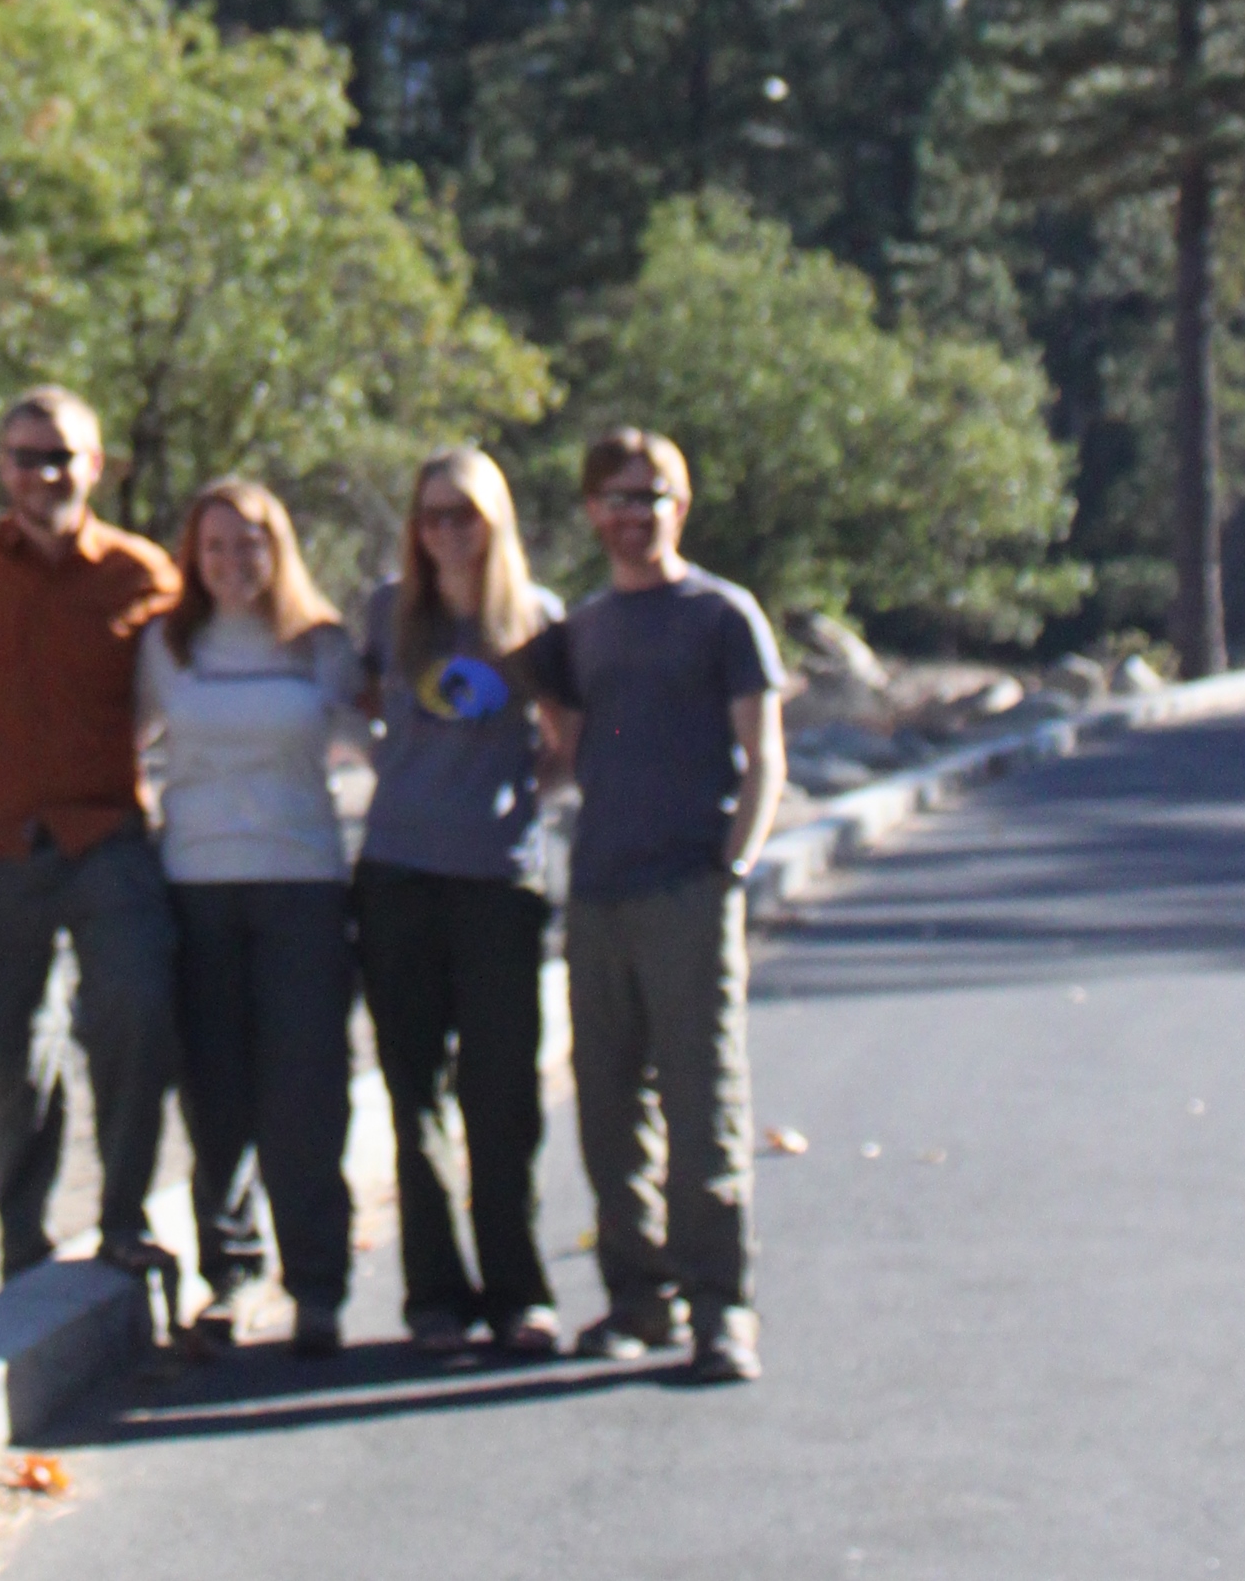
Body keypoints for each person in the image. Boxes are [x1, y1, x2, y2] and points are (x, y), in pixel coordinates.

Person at [521, 426, 787, 1385]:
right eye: (617, 499)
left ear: (684, 503)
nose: (635, 515)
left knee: (701, 1104)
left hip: (687, 887)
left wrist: (734, 865)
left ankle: (722, 1310)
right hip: (597, 891)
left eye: (653, 496)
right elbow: (564, 756)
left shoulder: (722, 616)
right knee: (606, 1110)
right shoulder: (583, 629)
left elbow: (763, 756)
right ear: (592, 510)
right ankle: (637, 1299)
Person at [0, 385, 181, 1281]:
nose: (43, 474)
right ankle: (22, 1240)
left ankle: (123, 1217)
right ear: (2, 469)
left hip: (106, 836)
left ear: (95, 466)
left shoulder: (142, 574)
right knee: (9, 1048)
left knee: (135, 1012)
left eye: (61, 456)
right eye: (26, 457)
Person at [136, 478, 363, 1350]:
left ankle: (318, 1284)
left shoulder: (319, 644)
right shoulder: (167, 644)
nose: (234, 562)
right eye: (216, 545)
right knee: (215, 1093)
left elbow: (377, 735)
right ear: (193, 556)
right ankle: (230, 1276)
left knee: (305, 1090)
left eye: (251, 543)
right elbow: (120, 740)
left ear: (280, 549)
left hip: (301, 884)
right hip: (195, 884)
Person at [354, 445, 562, 1357]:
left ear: (494, 521)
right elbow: (357, 703)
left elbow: (567, 738)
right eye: (431, 515)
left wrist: (523, 802)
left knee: (502, 1093)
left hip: (497, 881)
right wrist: (394, 771)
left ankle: (518, 1289)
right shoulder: (385, 612)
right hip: (397, 873)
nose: (446, 532)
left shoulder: (536, 620)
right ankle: (434, 1295)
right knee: (414, 1093)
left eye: (463, 515)